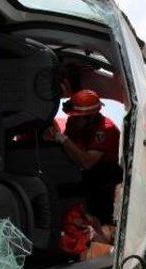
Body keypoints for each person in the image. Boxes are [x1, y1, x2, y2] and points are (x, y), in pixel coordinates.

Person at [45, 89, 123, 227]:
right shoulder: (74, 122)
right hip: (81, 171)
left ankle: (102, 231)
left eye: (77, 117)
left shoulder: (105, 129)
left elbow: (87, 162)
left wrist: (62, 139)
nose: (73, 119)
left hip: (103, 175)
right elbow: (69, 151)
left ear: (91, 116)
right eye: (73, 116)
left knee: (98, 208)